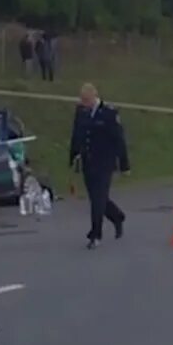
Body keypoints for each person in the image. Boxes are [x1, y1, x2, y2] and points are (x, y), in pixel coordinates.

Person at [69, 83, 129, 249]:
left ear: (94, 97)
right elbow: (77, 135)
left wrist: (124, 165)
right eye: (82, 100)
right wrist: (73, 156)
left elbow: (119, 140)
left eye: (86, 100)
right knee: (98, 198)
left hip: (104, 163)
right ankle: (117, 216)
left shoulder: (108, 113)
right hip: (88, 162)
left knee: (97, 198)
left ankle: (96, 234)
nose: (84, 103)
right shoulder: (81, 112)